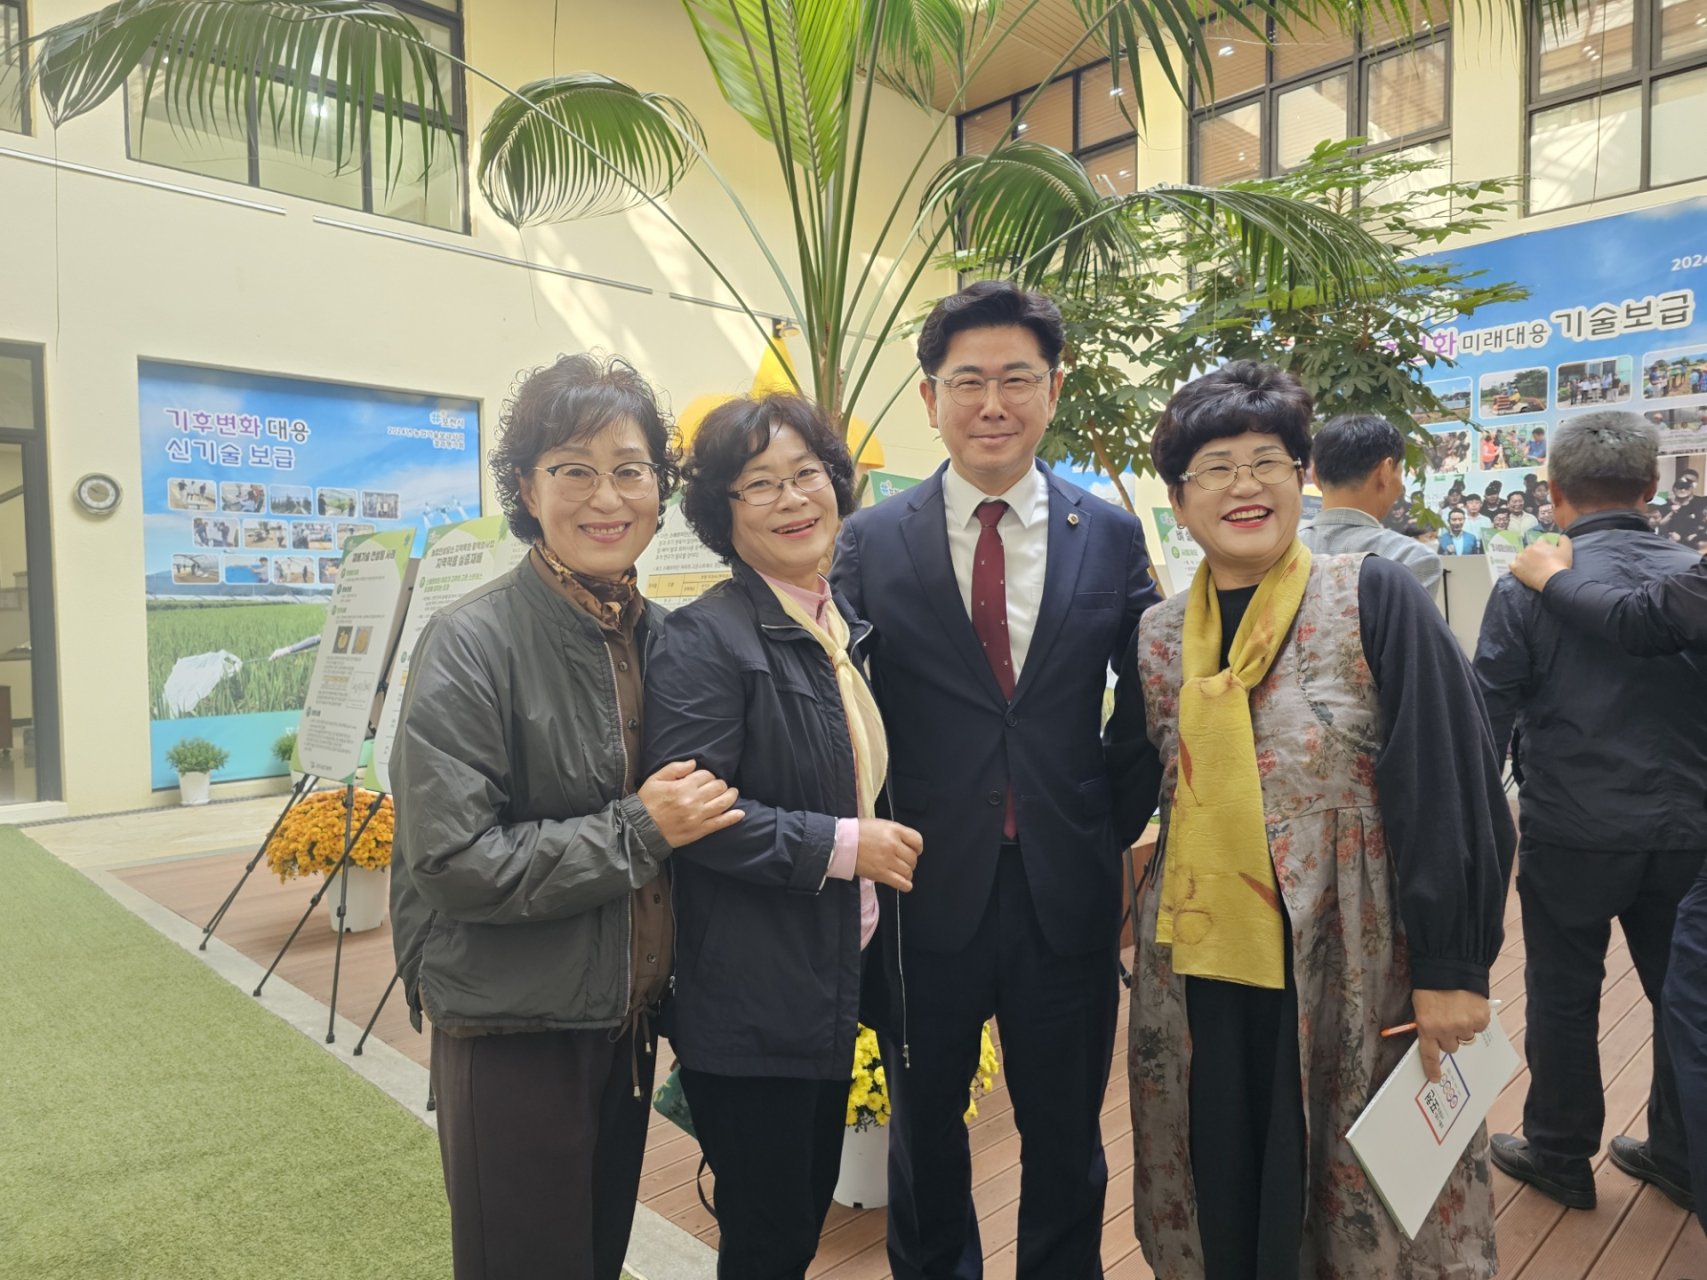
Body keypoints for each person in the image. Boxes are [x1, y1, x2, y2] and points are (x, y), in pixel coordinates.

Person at [1106, 361, 1513, 1279]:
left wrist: (1452, 966)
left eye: (1266, 461)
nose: (1242, 485)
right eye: (1215, 468)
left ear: (1301, 479)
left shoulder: (1370, 595)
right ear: (1179, 500)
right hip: (1202, 963)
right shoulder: (1159, 637)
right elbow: (1123, 785)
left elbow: (1448, 777)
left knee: (1361, 1184)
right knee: (1223, 1169)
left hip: (1349, 949)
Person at [831, 280, 1161, 1279]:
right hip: (922, 885)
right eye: (966, 380)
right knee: (924, 1137)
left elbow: (1147, 690)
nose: (992, 403)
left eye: (1016, 378)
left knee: (1066, 1135)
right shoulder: (867, 540)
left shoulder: (1108, 533)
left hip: (1065, 887)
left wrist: (1106, 816)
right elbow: (838, 704)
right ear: (929, 397)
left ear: (1053, 389)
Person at [389, 354, 744, 1280]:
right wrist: (640, 828)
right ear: (526, 487)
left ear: (661, 489)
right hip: (512, 1031)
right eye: (573, 469)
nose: (606, 497)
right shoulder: (471, 642)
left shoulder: (661, 638)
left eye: (630, 469)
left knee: (594, 1259)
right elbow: (452, 860)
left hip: (623, 1027)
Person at [642, 394, 921, 1279]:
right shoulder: (704, 638)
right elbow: (693, 816)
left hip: (826, 979)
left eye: (807, 474)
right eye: (758, 484)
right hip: (751, 996)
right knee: (768, 1240)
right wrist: (844, 845)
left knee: (793, 1226)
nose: (792, 498)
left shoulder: (833, 624)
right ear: (720, 512)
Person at [1474, 411, 1706, 1215]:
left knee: (1562, 992)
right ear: (1651, 487)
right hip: (1688, 830)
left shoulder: (1526, 580)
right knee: (1683, 995)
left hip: (1569, 830)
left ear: (1552, 491)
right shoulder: (1692, 578)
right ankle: (1678, 1153)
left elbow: (1487, 713)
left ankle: (1558, 1152)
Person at [1297, 414, 1442, 598]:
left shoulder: (1280, 553)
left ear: (1315, 476)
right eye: (1400, 471)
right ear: (1385, 471)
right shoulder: (1412, 559)